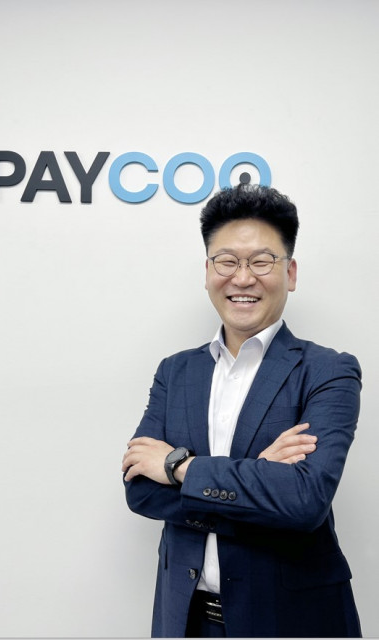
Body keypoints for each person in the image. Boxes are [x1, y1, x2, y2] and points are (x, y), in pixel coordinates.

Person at [122, 184, 362, 638]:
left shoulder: (327, 370)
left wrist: (178, 468)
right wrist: (259, 477)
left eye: (261, 261)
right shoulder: (175, 372)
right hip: (185, 618)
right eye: (227, 261)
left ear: (290, 272)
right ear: (208, 271)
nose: (243, 278)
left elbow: (304, 500)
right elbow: (141, 491)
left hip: (290, 620)